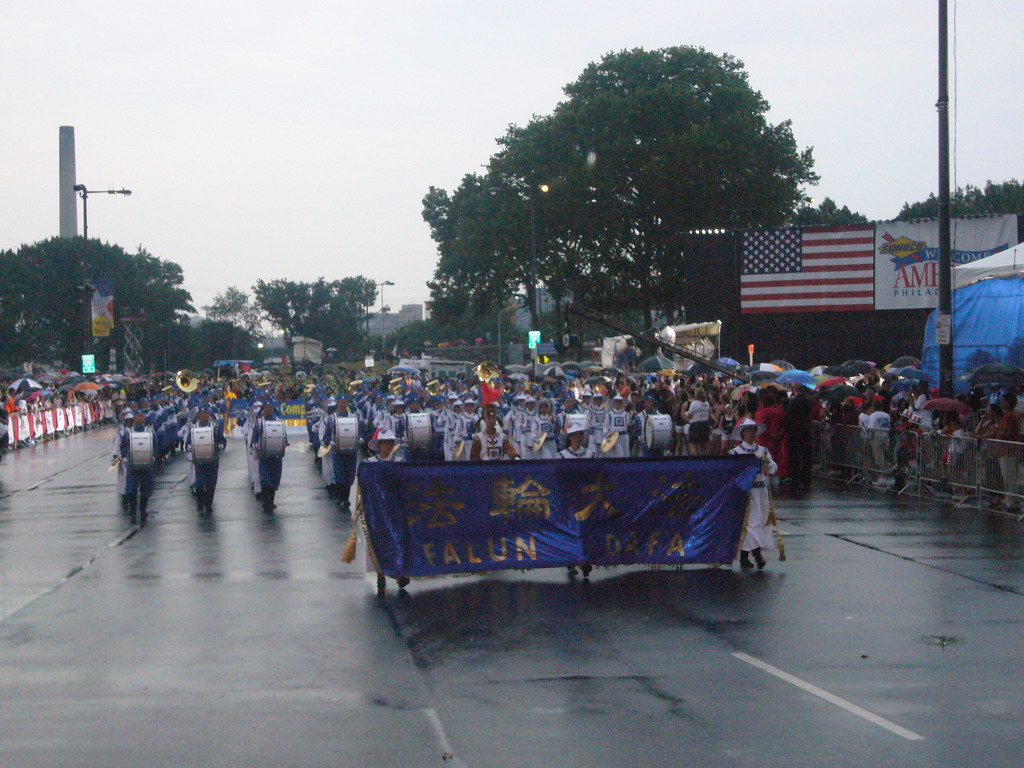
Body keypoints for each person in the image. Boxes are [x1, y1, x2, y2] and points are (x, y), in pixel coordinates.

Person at [729, 418, 777, 569]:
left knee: (761, 523)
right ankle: (757, 556)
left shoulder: (762, 450)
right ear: (742, 433)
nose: (751, 433)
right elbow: (731, 473)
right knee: (752, 523)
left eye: (753, 430)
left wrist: (767, 464)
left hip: (761, 492)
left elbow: (774, 468)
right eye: (748, 430)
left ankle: (744, 556)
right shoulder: (736, 452)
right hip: (746, 493)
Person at [184, 405, 227, 513]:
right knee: (199, 482)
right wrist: (188, 447)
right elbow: (188, 442)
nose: (204, 416)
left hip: (212, 459)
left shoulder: (215, 427)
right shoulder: (194, 428)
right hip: (199, 460)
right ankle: (200, 503)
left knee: (211, 483)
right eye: (202, 414)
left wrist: (221, 445)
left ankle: (208, 504)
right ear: (198, 415)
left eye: (206, 413)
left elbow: (221, 440)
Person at [250, 403, 288, 512]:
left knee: (275, 479)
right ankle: (266, 503)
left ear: (273, 409)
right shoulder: (258, 423)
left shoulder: (280, 422)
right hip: (264, 455)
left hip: (276, 456)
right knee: (265, 479)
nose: (268, 410)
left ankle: (271, 501)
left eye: (269, 408)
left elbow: (284, 436)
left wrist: (284, 443)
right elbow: (254, 438)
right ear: (263, 410)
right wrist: (255, 446)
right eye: (266, 408)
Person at [120, 410, 156, 523]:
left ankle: (143, 509)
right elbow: (124, 446)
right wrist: (125, 457)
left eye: (142, 416)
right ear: (134, 418)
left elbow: (155, 444)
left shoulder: (150, 431)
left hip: (147, 464)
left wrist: (153, 455)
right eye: (138, 416)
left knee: (146, 487)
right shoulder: (128, 432)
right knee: (131, 488)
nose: (140, 418)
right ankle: (132, 509)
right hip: (132, 464)